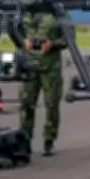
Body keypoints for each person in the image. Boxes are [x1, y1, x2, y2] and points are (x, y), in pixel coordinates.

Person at [18, 11, 67, 156]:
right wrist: (23, 41)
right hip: (29, 65)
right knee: (26, 103)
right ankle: (24, 140)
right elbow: (14, 31)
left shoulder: (58, 13)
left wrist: (53, 44)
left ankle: (49, 139)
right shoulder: (23, 12)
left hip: (50, 67)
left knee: (51, 103)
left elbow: (68, 39)